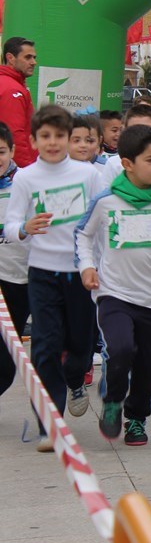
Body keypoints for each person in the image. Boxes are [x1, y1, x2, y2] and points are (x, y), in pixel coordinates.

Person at [76, 126, 151, 445]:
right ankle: (113, 400)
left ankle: (137, 418)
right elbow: (83, 236)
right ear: (127, 163)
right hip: (114, 294)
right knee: (120, 348)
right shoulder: (106, 201)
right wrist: (87, 266)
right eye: (150, 160)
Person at [5, 105, 101, 450]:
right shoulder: (27, 178)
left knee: (80, 345)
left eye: (59, 136)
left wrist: (100, 264)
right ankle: (50, 424)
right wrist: (24, 228)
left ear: (69, 139)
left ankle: (75, 378)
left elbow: (102, 218)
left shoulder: (87, 174)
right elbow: (11, 222)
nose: (52, 142)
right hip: (42, 272)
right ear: (33, 140)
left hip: (80, 271)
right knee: (45, 347)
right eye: (44, 136)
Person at [0, 123, 29, 401]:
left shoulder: (25, 183)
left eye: (0, 151)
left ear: (12, 151)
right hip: (1, 280)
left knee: (9, 354)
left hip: (25, 279)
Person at [0, 38, 37, 167]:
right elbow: (14, 133)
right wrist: (27, 168)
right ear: (10, 58)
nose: (34, 62)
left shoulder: (11, 84)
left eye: (34, 57)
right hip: (16, 170)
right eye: (28, 57)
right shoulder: (11, 89)